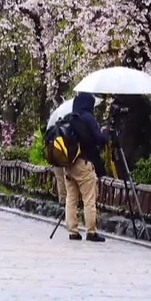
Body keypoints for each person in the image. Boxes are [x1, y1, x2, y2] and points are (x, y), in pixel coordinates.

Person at [62, 93, 113, 242]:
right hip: (84, 164)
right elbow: (97, 139)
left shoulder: (70, 118)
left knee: (71, 198)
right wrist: (107, 136)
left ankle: (73, 231)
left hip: (69, 164)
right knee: (89, 198)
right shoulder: (88, 118)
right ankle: (91, 231)